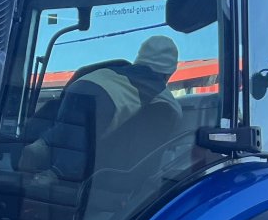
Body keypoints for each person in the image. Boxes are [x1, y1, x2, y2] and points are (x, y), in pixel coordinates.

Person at [19, 34, 180, 179]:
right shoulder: (161, 92)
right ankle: (53, 176)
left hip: (81, 84)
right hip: (103, 100)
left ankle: (42, 145)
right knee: (82, 145)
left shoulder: (118, 69)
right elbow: (168, 118)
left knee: (66, 129)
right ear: (168, 73)